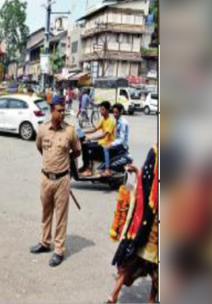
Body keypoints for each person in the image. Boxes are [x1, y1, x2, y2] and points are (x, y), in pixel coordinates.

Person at [30, 96, 81, 267]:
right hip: (46, 178)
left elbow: (77, 151)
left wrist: (64, 161)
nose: (62, 113)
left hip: (62, 180)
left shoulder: (70, 131)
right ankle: (45, 242)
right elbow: (39, 147)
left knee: (61, 217)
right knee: (46, 212)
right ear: (51, 110)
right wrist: (50, 163)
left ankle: (59, 250)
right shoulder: (43, 129)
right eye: (59, 110)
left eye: (63, 109)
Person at [107, 144, 158, 303]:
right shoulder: (157, 150)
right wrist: (138, 172)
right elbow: (148, 179)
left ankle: (150, 299)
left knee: (151, 264)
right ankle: (113, 296)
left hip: (159, 221)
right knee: (131, 256)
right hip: (150, 220)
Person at [81, 101, 116, 177]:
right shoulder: (102, 119)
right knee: (84, 145)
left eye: (102, 110)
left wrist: (90, 137)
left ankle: (88, 169)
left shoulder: (111, 121)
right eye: (100, 109)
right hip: (101, 142)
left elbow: (104, 135)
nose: (101, 111)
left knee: (86, 146)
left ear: (107, 110)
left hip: (106, 144)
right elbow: (94, 129)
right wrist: (82, 132)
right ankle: (86, 166)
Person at [102, 104, 130, 176]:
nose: (114, 114)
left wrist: (111, 144)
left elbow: (121, 139)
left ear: (121, 112)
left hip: (122, 145)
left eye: (116, 112)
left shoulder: (122, 122)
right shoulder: (118, 121)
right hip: (118, 143)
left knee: (106, 148)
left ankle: (107, 169)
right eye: (113, 112)